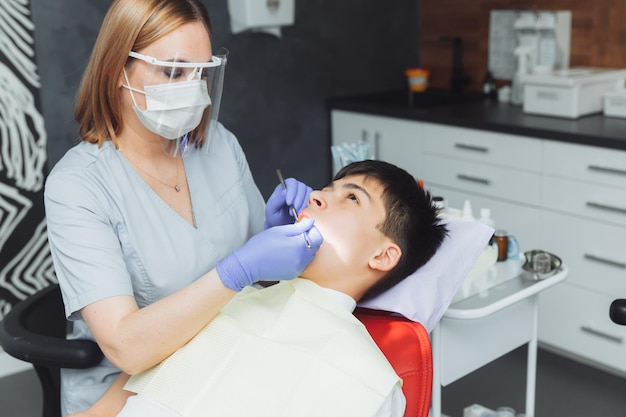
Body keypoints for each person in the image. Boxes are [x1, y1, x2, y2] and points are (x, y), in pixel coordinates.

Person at [43, 0, 322, 414]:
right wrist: (238, 269)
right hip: (129, 391)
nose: (193, 90)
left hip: (221, 357)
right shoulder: (78, 186)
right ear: (117, 69)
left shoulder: (219, 145)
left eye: (201, 72)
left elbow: (257, 287)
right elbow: (127, 347)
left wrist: (270, 238)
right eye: (173, 71)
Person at [69, 159, 448, 417]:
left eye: (351, 197)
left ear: (383, 256)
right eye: (328, 187)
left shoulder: (370, 383)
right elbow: (103, 412)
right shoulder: (220, 304)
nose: (317, 195)